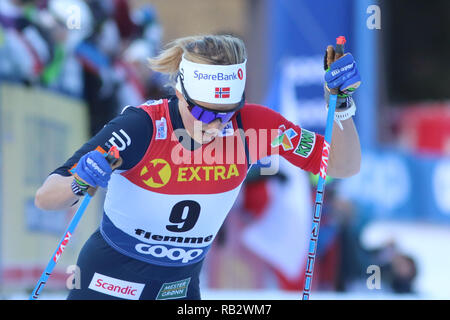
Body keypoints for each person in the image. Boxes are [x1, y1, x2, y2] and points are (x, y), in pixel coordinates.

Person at [34, 34, 361, 300]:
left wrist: (342, 107)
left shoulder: (255, 127)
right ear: (180, 92)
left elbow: (341, 165)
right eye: (204, 113)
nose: (216, 126)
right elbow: (47, 198)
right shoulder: (141, 128)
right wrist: (80, 181)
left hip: (178, 290)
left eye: (227, 113)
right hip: (107, 284)